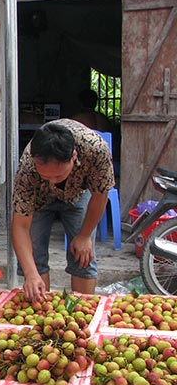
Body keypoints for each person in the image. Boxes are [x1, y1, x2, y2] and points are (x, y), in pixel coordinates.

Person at [12, 119, 115, 301]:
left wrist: (84, 236)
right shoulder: (28, 167)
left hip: (78, 194)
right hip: (39, 200)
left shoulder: (96, 150)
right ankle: (42, 312)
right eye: (46, 175)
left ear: (74, 157)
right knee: (34, 259)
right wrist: (30, 274)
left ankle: (83, 311)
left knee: (83, 256)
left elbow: (100, 196)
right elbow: (20, 225)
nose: (52, 181)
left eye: (58, 175)